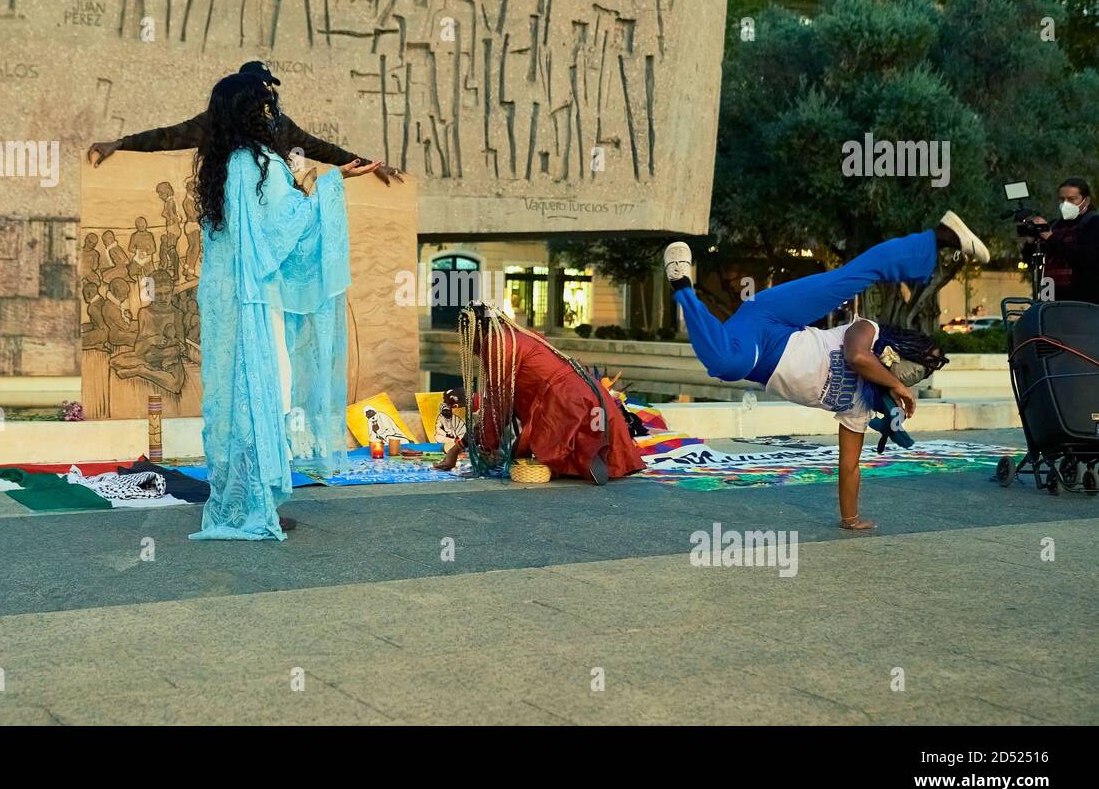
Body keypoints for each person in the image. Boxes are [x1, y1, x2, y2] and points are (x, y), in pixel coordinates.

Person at [665, 211, 988, 530]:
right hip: (775, 315)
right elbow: (857, 357)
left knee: (727, 364)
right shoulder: (868, 331)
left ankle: (682, 286)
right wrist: (896, 386)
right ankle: (940, 237)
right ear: (898, 350)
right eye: (916, 365)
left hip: (760, 353)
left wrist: (851, 519)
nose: (914, 375)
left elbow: (849, 466)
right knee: (850, 277)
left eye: (920, 374)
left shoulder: (860, 407)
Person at [190, 73, 379, 541]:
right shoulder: (253, 164)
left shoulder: (222, 166)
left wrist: (311, 179)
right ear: (247, 112)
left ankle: (239, 499)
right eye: (262, 106)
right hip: (254, 302)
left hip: (229, 301)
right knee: (262, 396)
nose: (269, 114)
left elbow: (251, 234)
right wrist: (332, 182)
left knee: (236, 399)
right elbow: (286, 225)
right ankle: (253, 504)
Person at [87, 60, 404, 187]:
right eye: (262, 87)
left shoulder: (279, 125)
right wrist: (121, 143)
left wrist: (369, 164)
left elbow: (323, 150)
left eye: (270, 87)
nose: (269, 93)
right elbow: (167, 137)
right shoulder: (218, 122)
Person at [435, 303, 645, 484]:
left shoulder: (497, 346)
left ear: (473, 333)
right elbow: (503, 397)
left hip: (561, 397)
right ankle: (591, 455)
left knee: (552, 440)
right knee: (588, 433)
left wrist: (462, 448)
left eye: (465, 338)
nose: (467, 346)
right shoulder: (518, 335)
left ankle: (583, 460)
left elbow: (497, 409)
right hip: (587, 389)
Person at [1032, 178, 1099, 305]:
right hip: (1051, 296)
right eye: (1062, 199)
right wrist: (1032, 241)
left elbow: (1083, 257)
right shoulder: (1055, 225)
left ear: (1086, 201)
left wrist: (1050, 238)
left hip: (1082, 301)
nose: (1065, 204)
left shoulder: (1093, 223)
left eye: (1072, 199)